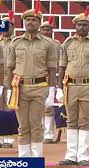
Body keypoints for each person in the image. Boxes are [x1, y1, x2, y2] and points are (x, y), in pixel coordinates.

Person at [6, 6, 58, 157]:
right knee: (23, 126)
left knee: (36, 125)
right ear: (23, 22)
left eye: (34, 20)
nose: (30, 22)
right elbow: (9, 68)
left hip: (39, 87)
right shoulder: (15, 43)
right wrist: (9, 89)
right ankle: (24, 158)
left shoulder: (48, 44)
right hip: (19, 89)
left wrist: (52, 91)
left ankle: (36, 158)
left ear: (39, 23)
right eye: (27, 20)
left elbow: (52, 69)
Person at [56, 6, 89, 166]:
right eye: (79, 24)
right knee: (71, 120)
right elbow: (62, 66)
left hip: (88, 85)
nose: (82, 27)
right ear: (75, 26)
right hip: (70, 86)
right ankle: (71, 155)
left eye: (85, 24)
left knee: (84, 120)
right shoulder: (67, 43)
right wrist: (58, 88)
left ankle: (82, 155)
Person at [0, 10, 16, 148]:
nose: (6, 27)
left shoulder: (18, 41)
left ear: (13, 27)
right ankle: (0, 137)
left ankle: (9, 138)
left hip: (13, 79)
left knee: (10, 108)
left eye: (9, 25)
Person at [39, 16, 61, 144]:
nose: (46, 31)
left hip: (50, 78)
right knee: (36, 107)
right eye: (44, 29)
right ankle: (37, 133)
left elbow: (60, 62)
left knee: (48, 107)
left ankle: (48, 134)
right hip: (36, 78)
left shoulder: (56, 45)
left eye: (48, 29)